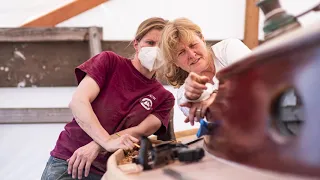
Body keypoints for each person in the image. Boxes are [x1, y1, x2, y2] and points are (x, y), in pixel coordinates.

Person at [41, 17, 175, 180]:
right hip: (70, 161)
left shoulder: (164, 98)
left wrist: (98, 145)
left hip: (112, 172)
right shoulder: (109, 62)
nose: (156, 50)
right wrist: (106, 141)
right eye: (150, 43)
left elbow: (139, 131)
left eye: (162, 47)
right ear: (136, 44)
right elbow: (79, 101)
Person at [159, 17, 251, 126]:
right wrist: (194, 97)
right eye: (181, 52)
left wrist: (217, 95)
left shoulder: (229, 48)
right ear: (175, 63)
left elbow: (255, 78)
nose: (192, 55)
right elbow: (201, 111)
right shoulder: (184, 93)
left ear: (202, 39)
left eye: (193, 45)